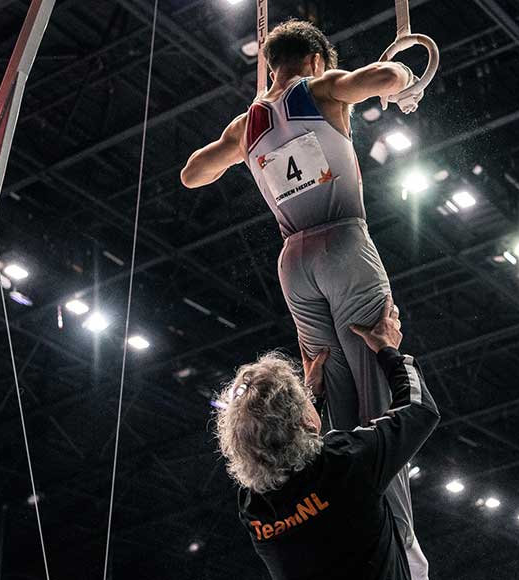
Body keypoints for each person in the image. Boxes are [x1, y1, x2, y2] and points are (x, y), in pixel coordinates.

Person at [181, 18, 429, 576]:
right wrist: (405, 86)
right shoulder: (321, 88)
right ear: (317, 61)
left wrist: (246, 137)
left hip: (294, 262)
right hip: (343, 243)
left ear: (271, 65)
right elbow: (386, 74)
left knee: (331, 403)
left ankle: (350, 523)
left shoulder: (246, 125)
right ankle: (404, 550)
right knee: (378, 393)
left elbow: (192, 174)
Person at [216, 299, 439, 580]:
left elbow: (292, 468)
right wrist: (389, 349)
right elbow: (420, 410)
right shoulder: (344, 464)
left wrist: (311, 399)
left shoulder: (256, 510)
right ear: (305, 421)